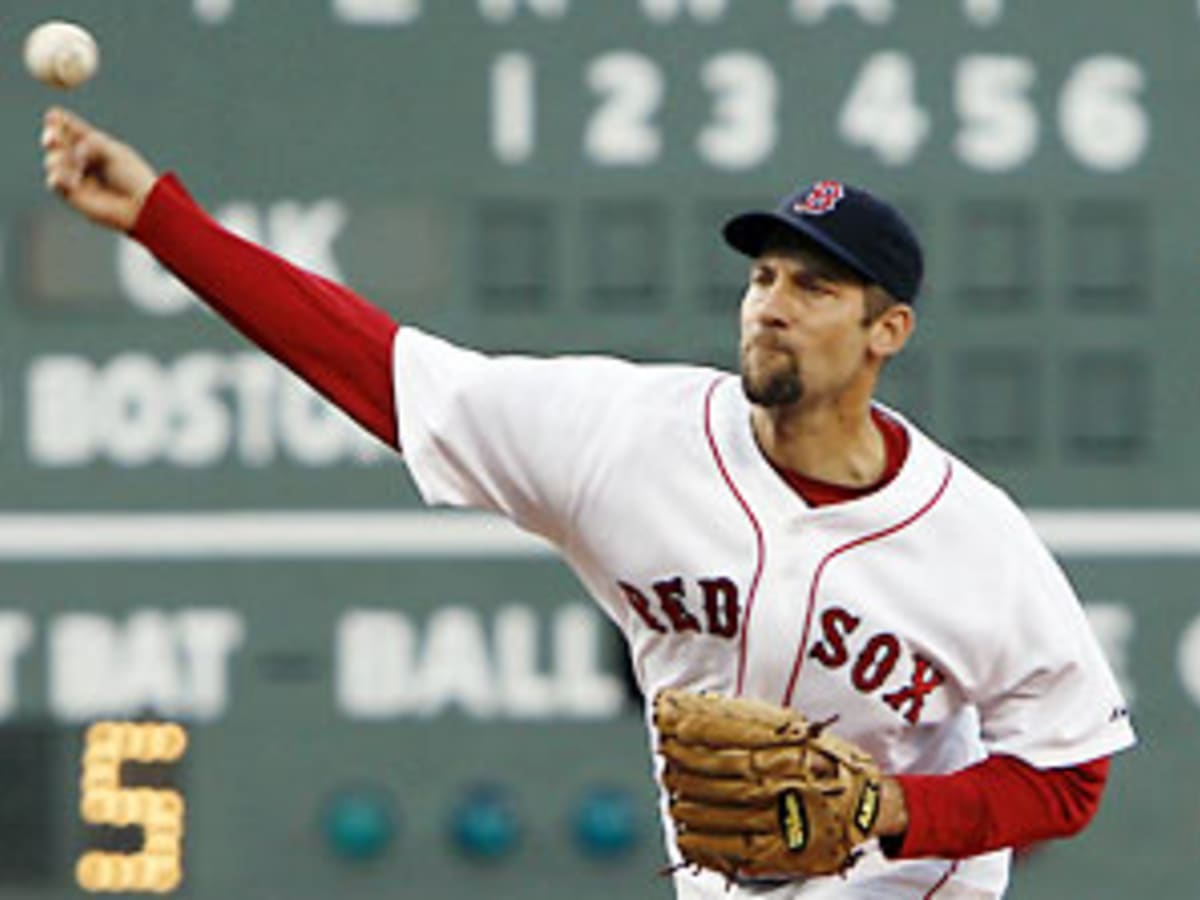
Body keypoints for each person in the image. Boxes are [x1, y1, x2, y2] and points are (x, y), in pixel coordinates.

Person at [39, 107, 1135, 899]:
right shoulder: (626, 437)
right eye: (763, 277)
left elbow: (1071, 772)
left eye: (815, 286)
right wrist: (158, 220)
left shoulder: (971, 537)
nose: (772, 305)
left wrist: (895, 812)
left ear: (886, 330)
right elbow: (378, 367)